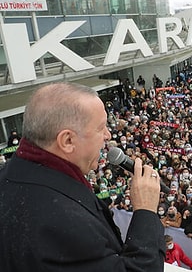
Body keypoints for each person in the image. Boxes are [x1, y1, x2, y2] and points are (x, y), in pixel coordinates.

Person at [0, 82, 165, 271]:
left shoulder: (11, 174)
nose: (108, 135)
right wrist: (145, 211)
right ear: (67, 140)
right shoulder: (65, 224)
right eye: (100, 128)